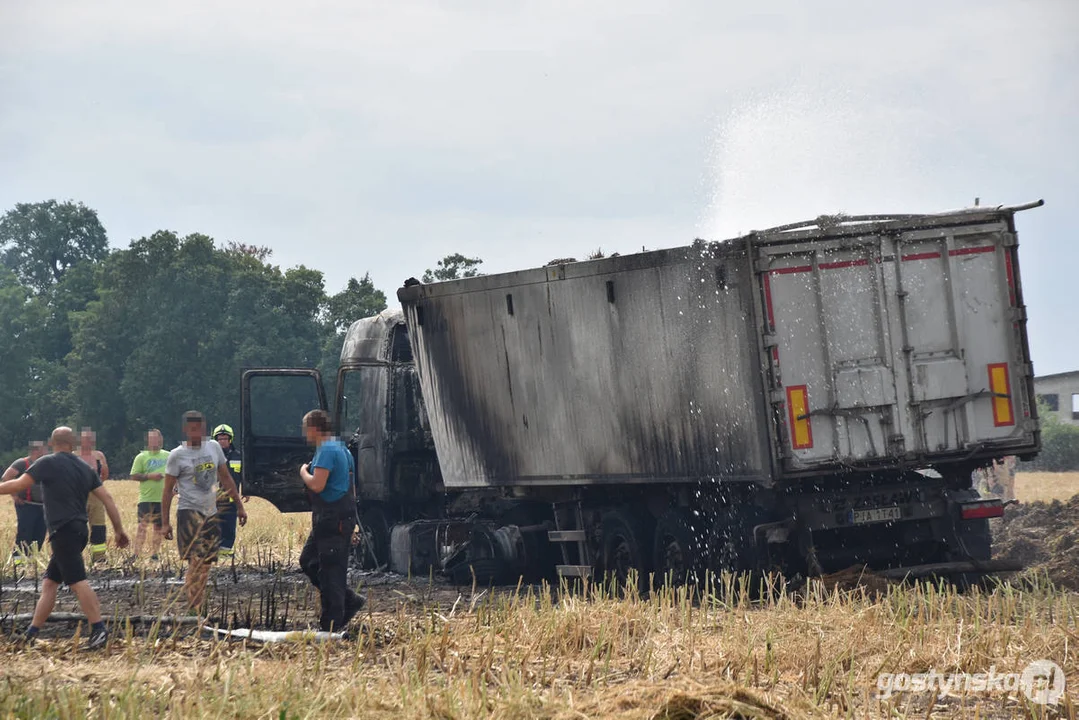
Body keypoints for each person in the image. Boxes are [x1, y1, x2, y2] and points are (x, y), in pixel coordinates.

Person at [0, 426, 129, 649]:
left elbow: (20, 484)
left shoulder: (48, 462)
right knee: (50, 583)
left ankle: (99, 630)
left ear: (52, 443)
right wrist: (119, 531)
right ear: (74, 444)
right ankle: (31, 633)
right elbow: (107, 498)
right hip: (79, 530)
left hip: (64, 531)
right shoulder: (85, 468)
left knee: (78, 581)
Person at [161, 411, 247, 613]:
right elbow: (166, 492)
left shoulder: (214, 447)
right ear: (185, 430)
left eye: (200, 429)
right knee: (195, 561)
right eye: (193, 429)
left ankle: (197, 603)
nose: (197, 433)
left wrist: (240, 506)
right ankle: (194, 609)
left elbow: (226, 478)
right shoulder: (177, 455)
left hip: (211, 513)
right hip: (188, 513)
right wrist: (165, 522)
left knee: (206, 564)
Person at [298, 409, 365, 633]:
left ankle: (332, 625)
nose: (305, 433)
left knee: (332, 571)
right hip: (337, 516)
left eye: (306, 428)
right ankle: (349, 599)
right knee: (309, 561)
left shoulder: (326, 449)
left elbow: (317, 485)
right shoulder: (342, 448)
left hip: (331, 517)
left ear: (315, 428)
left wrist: (303, 473)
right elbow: (352, 487)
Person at [4, 440, 48, 565]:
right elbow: (7, 477)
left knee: (39, 535)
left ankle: (31, 562)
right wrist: (15, 495)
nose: (45, 452)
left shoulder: (43, 464)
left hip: (42, 506)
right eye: (43, 449)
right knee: (25, 534)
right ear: (35, 450)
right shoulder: (22, 463)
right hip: (26, 506)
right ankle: (17, 564)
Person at [129, 429, 169, 557]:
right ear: (148, 441)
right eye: (151, 438)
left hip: (162, 498)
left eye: (156, 438)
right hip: (146, 498)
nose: (154, 441)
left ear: (160, 439)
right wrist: (149, 476)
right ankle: (136, 553)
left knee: (158, 527)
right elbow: (134, 476)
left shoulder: (168, 456)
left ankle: (155, 554)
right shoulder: (141, 457)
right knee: (142, 526)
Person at [211, 423, 243, 559]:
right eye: (219, 439)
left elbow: (243, 475)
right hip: (213, 499)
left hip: (231, 499)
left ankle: (226, 553)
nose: (222, 441)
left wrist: (246, 490)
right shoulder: (210, 456)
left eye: (225, 438)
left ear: (230, 440)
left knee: (229, 526)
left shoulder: (238, 456)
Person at [78, 428, 110, 562]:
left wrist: (97, 485)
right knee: (78, 527)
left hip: (96, 496)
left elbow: (105, 474)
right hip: (78, 495)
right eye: (86, 439)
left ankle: (99, 558)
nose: (88, 441)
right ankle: (75, 556)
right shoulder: (74, 455)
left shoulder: (99, 455)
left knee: (98, 526)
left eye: (90, 439)